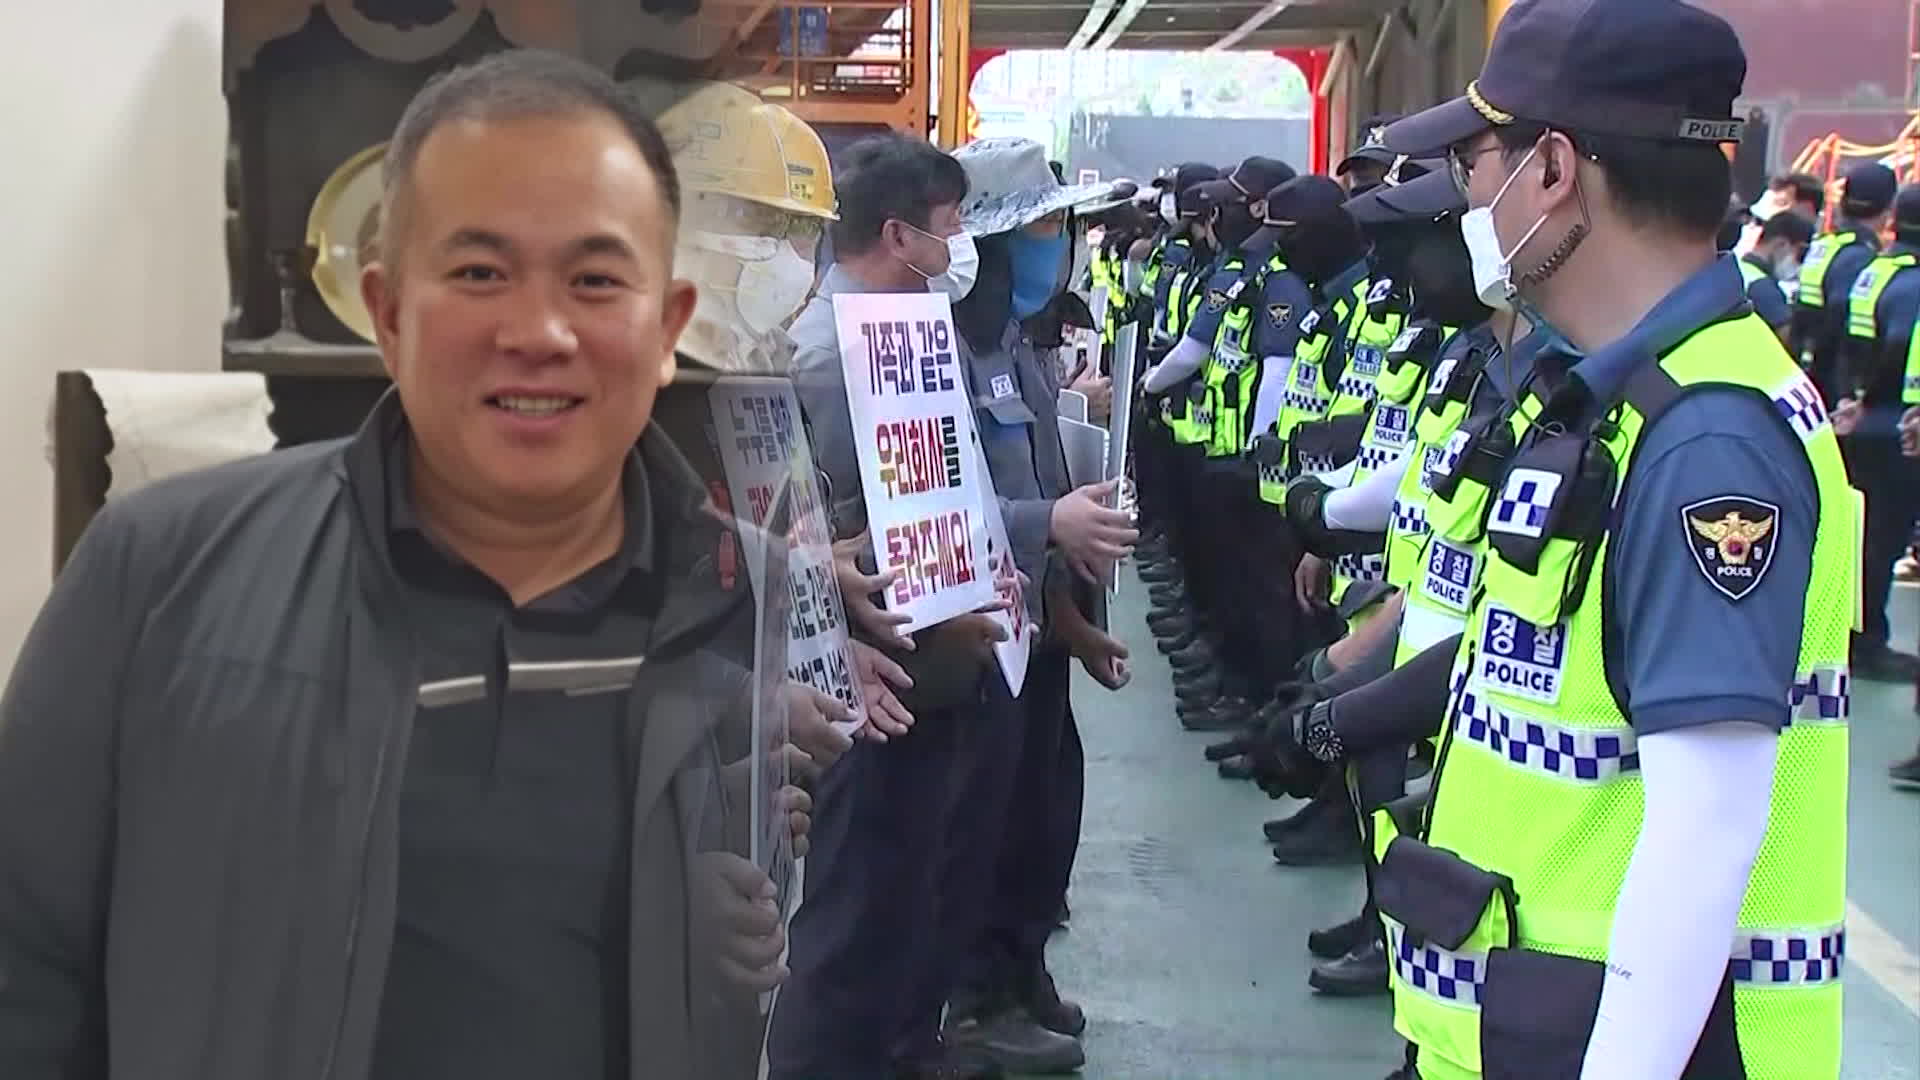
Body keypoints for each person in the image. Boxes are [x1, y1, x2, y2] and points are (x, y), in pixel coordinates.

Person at [0, 50, 835, 1080]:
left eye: (595, 278)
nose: (538, 331)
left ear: (666, 328)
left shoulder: (730, 603)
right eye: (479, 272)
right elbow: (23, 967)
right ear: (388, 313)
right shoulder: (161, 574)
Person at [1379, 1, 1854, 1077]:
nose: (1466, 201)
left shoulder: (1708, 442)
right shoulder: (1628, 403)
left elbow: (1707, 828)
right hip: (1527, 1031)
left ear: (1551, 170)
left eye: (1474, 161)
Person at [773, 132, 1131, 1080]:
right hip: (880, 674)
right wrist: (935, 604)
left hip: (945, 662)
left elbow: (949, 493)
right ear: (899, 234)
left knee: (913, 899)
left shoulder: (910, 333)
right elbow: (847, 530)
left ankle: (906, 1048)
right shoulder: (827, 353)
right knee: (855, 922)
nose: (958, 248)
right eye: (948, 229)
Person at [1838, 182, 1920, 682]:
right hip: (1897, 424)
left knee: (1867, 536)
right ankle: (1867, 641)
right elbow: (1897, 346)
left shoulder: (1876, 271)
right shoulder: (1913, 283)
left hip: (1863, 418)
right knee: (1883, 540)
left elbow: (1848, 341)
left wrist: (1854, 396)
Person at [1792, 162, 1897, 401]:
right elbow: (1843, 326)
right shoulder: (1861, 258)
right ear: (1889, 209)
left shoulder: (1825, 246)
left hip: (1804, 377)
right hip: (1831, 388)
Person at [1740, 208, 1813, 340]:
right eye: (1801, 255)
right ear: (1781, 244)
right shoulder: (1763, 288)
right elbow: (1786, 341)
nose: (1800, 266)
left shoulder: (1737, 270)